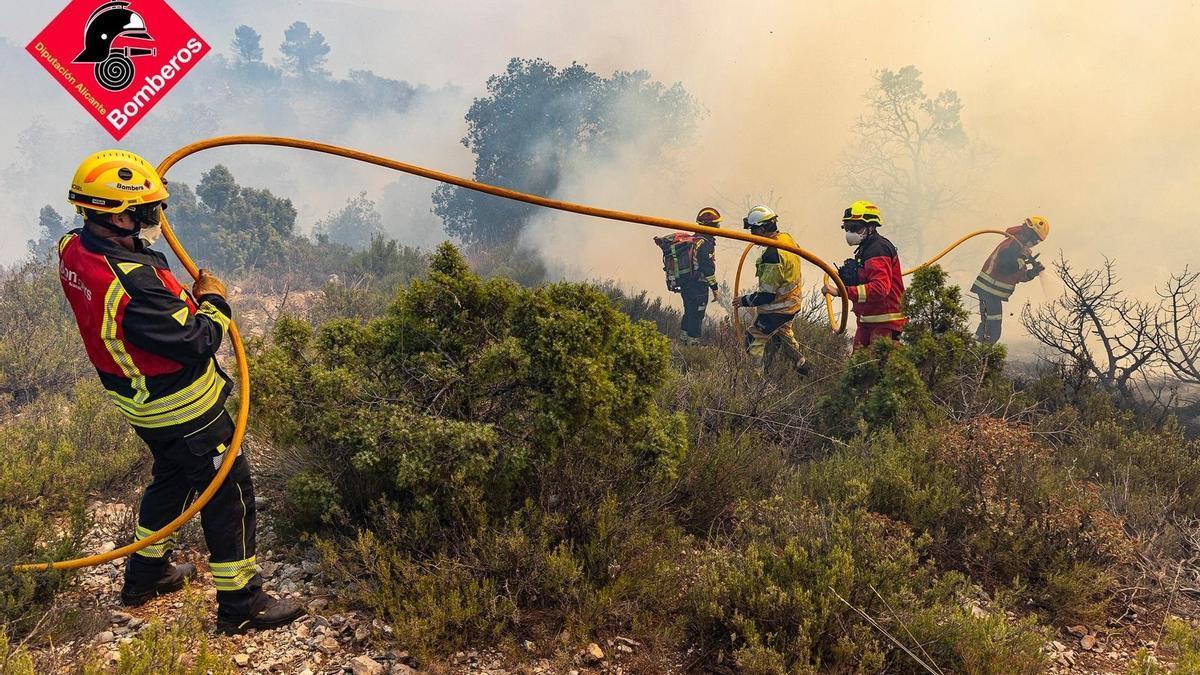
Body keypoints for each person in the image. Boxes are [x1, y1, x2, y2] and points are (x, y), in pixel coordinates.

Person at [57, 150, 303, 634]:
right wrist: (214, 302)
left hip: (141, 403)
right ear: (116, 214)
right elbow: (197, 342)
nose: (155, 218)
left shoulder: (74, 246)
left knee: (171, 480)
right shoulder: (132, 286)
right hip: (184, 410)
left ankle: (145, 576)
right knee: (226, 491)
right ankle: (242, 604)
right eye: (146, 210)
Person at [732, 205, 808, 374]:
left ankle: (755, 380)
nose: (752, 235)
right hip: (791, 304)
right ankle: (803, 366)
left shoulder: (772, 255)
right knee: (784, 336)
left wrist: (743, 300)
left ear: (761, 228)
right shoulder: (787, 239)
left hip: (777, 308)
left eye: (753, 230)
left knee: (754, 338)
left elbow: (767, 295)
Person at [823, 200, 907, 350]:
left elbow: (880, 288)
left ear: (871, 227)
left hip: (886, 322)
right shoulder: (865, 248)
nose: (850, 233)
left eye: (855, 227)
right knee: (857, 369)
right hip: (867, 321)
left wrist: (841, 292)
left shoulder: (878, 249)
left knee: (876, 368)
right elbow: (865, 278)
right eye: (847, 227)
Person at [970, 216, 1049, 344]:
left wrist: (1032, 273)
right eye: (1035, 240)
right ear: (1029, 233)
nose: (1034, 244)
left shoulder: (1018, 248)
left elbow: (1016, 276)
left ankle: (972, 351)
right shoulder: (1013, 245)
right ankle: (975, 356)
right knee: (992, 331)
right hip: (989, 291)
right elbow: (1005, 267)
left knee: (988, 329)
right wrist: (1023, 257)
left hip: (991, 292)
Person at [655, 207, 720, 345]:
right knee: (697, 315)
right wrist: (714, 288)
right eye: (717, 224)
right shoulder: (705, 243)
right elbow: (707, 268)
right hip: (698, 285)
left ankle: (683, 342)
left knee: (689, 312)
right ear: (712, 225)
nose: (719, 227)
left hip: (687, 283)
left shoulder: (694, 240)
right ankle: (693, 346)